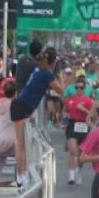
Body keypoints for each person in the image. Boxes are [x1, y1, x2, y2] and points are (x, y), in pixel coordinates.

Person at [10, 46, 62, 184]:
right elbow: (61, 90)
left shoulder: (39, 70)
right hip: (22, 107)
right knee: (21, 144)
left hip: (22, 106)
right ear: (53, 62)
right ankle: (21, 175)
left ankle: (21, 174)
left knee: (21, 143)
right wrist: (62, 78)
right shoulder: (47, 74)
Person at [63, 72, 95, 185]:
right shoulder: (70, 100)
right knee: (73, 151)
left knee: (81, 154)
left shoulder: (88, 101)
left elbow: (93, 115)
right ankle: (71, 176)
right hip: (72, 125)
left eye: (81, 88)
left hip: (84, 125)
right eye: (77, 88)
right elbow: (65, 112)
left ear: (84, 89)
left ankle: (78, 172)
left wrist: (83, 109)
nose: (79, 90)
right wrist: (64, 119)